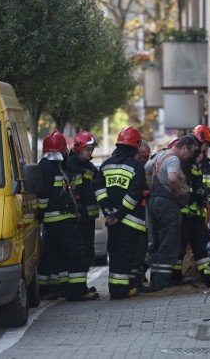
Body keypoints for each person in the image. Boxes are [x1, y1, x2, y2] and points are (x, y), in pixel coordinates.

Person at [37, 131, 98, 301]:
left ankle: (64, 288)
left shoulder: (56, 166)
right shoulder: (48, 166)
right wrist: (40, 215)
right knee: (78, 252)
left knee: (58, 254)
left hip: (62, 217)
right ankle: (77, 291)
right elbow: (44, 195)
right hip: (58, 218)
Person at [94, 127, 147, 300]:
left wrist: (109, 212)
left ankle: (114, 289)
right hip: (129, 221)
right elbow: (134, 195)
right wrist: (119, 214)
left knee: (114, 253)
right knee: (125, 254)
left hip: (112, 220)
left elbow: (100, 191)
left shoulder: (105, 165)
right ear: (136, 145)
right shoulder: (136, 167)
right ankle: (120, 291)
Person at [145, 135, 200, 292]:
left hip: (155, 201)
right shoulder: (174, 159)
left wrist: (151, 187)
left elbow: (146, 171)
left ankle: (155, 282)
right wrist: (176, 193)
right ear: (184, 148)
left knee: (158, 242)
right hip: (168, 204)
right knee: (169, 243)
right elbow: (173, 178)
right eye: (191, 152)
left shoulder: (160, 155)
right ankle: (162, 284)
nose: (191, 156)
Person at [172, 126, 210, 287]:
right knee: (181, 247)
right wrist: (198, 192)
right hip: (186, 214)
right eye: (206, 144)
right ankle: (175, 279)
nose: (206, 149)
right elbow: (184, 185)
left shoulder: (194, 161)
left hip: (195, 214)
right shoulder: (185, 159)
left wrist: (202, 193)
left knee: (200, 245)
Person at [66, 130, 100, 288]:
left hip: (89, 219)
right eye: (88, 149)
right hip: (77, 219)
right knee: (79, 253)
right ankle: (77, 288)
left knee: (88, 253)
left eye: (92, 150)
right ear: (79, 148)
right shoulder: (69, 165)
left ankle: (82, 286)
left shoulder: (91, 168)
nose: (90, 153)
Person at [131, 140, 151, 289]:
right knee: (136, 248)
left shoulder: (144, 168)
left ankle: (138, 276)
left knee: (142, 248)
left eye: (147, 156)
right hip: (132, 217)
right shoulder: (133, 168)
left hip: (143, 217)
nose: (145, 159)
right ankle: (135, 279)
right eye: (142, 156)